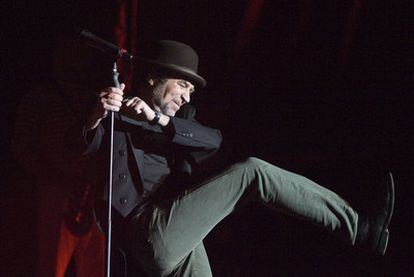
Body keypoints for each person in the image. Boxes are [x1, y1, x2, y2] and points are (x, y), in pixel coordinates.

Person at [79, 40, 395, 276]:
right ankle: (359, 228)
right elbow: (80, 144)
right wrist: (97, 111)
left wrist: (157, 120)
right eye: (182, 84)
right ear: (153, 78)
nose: (187, 95)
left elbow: (213, 141)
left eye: (191, 89)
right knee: (252, 172)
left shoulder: (179, 121)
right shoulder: (114, 114)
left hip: (177, 237)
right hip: (149, 231)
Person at [12, 39, 106, 277]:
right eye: (73, 56)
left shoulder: (94, 99)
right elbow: (21, 148)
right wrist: (57, 179)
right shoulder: (39, 98)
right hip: (56, 195)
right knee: (53, 267)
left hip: (93, 197)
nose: (78, 64)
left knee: (96, 267)